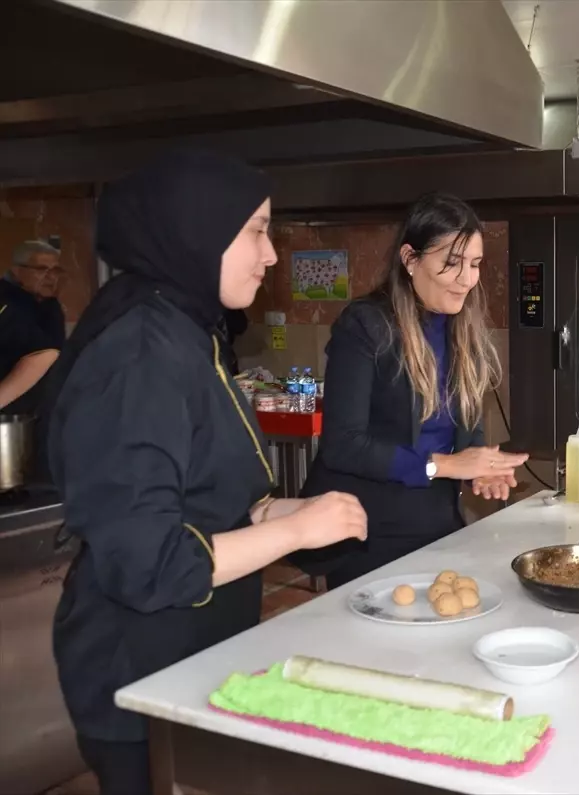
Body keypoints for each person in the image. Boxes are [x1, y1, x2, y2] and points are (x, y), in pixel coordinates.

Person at [40, 150, 368, 795]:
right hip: (137, 675)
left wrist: (290, 511)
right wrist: (295, 534)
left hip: (193, 659)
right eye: (256, 231)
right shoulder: (140, 353)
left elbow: (215, 500)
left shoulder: (191, 333)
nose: (269, 255)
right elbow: (149, 562)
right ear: (196, 229)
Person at [298, 193, 527, 590]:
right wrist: (446, 466)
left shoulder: (463, 328)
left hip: (436, 522)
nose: (467, 279)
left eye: (474, 264)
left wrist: (479, 467)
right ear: (410, 259)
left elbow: (464, 422)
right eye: (452, 263)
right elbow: (343, 445)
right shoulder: (365, 326)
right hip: (367, 531)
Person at [0, 240, 66, 413]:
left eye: (55, 270)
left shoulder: (48, 304)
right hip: (11, 415)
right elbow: (42, 355)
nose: (51, 277)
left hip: (40, 412)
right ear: (17, 271)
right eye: (42, 269)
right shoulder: (7, 303)